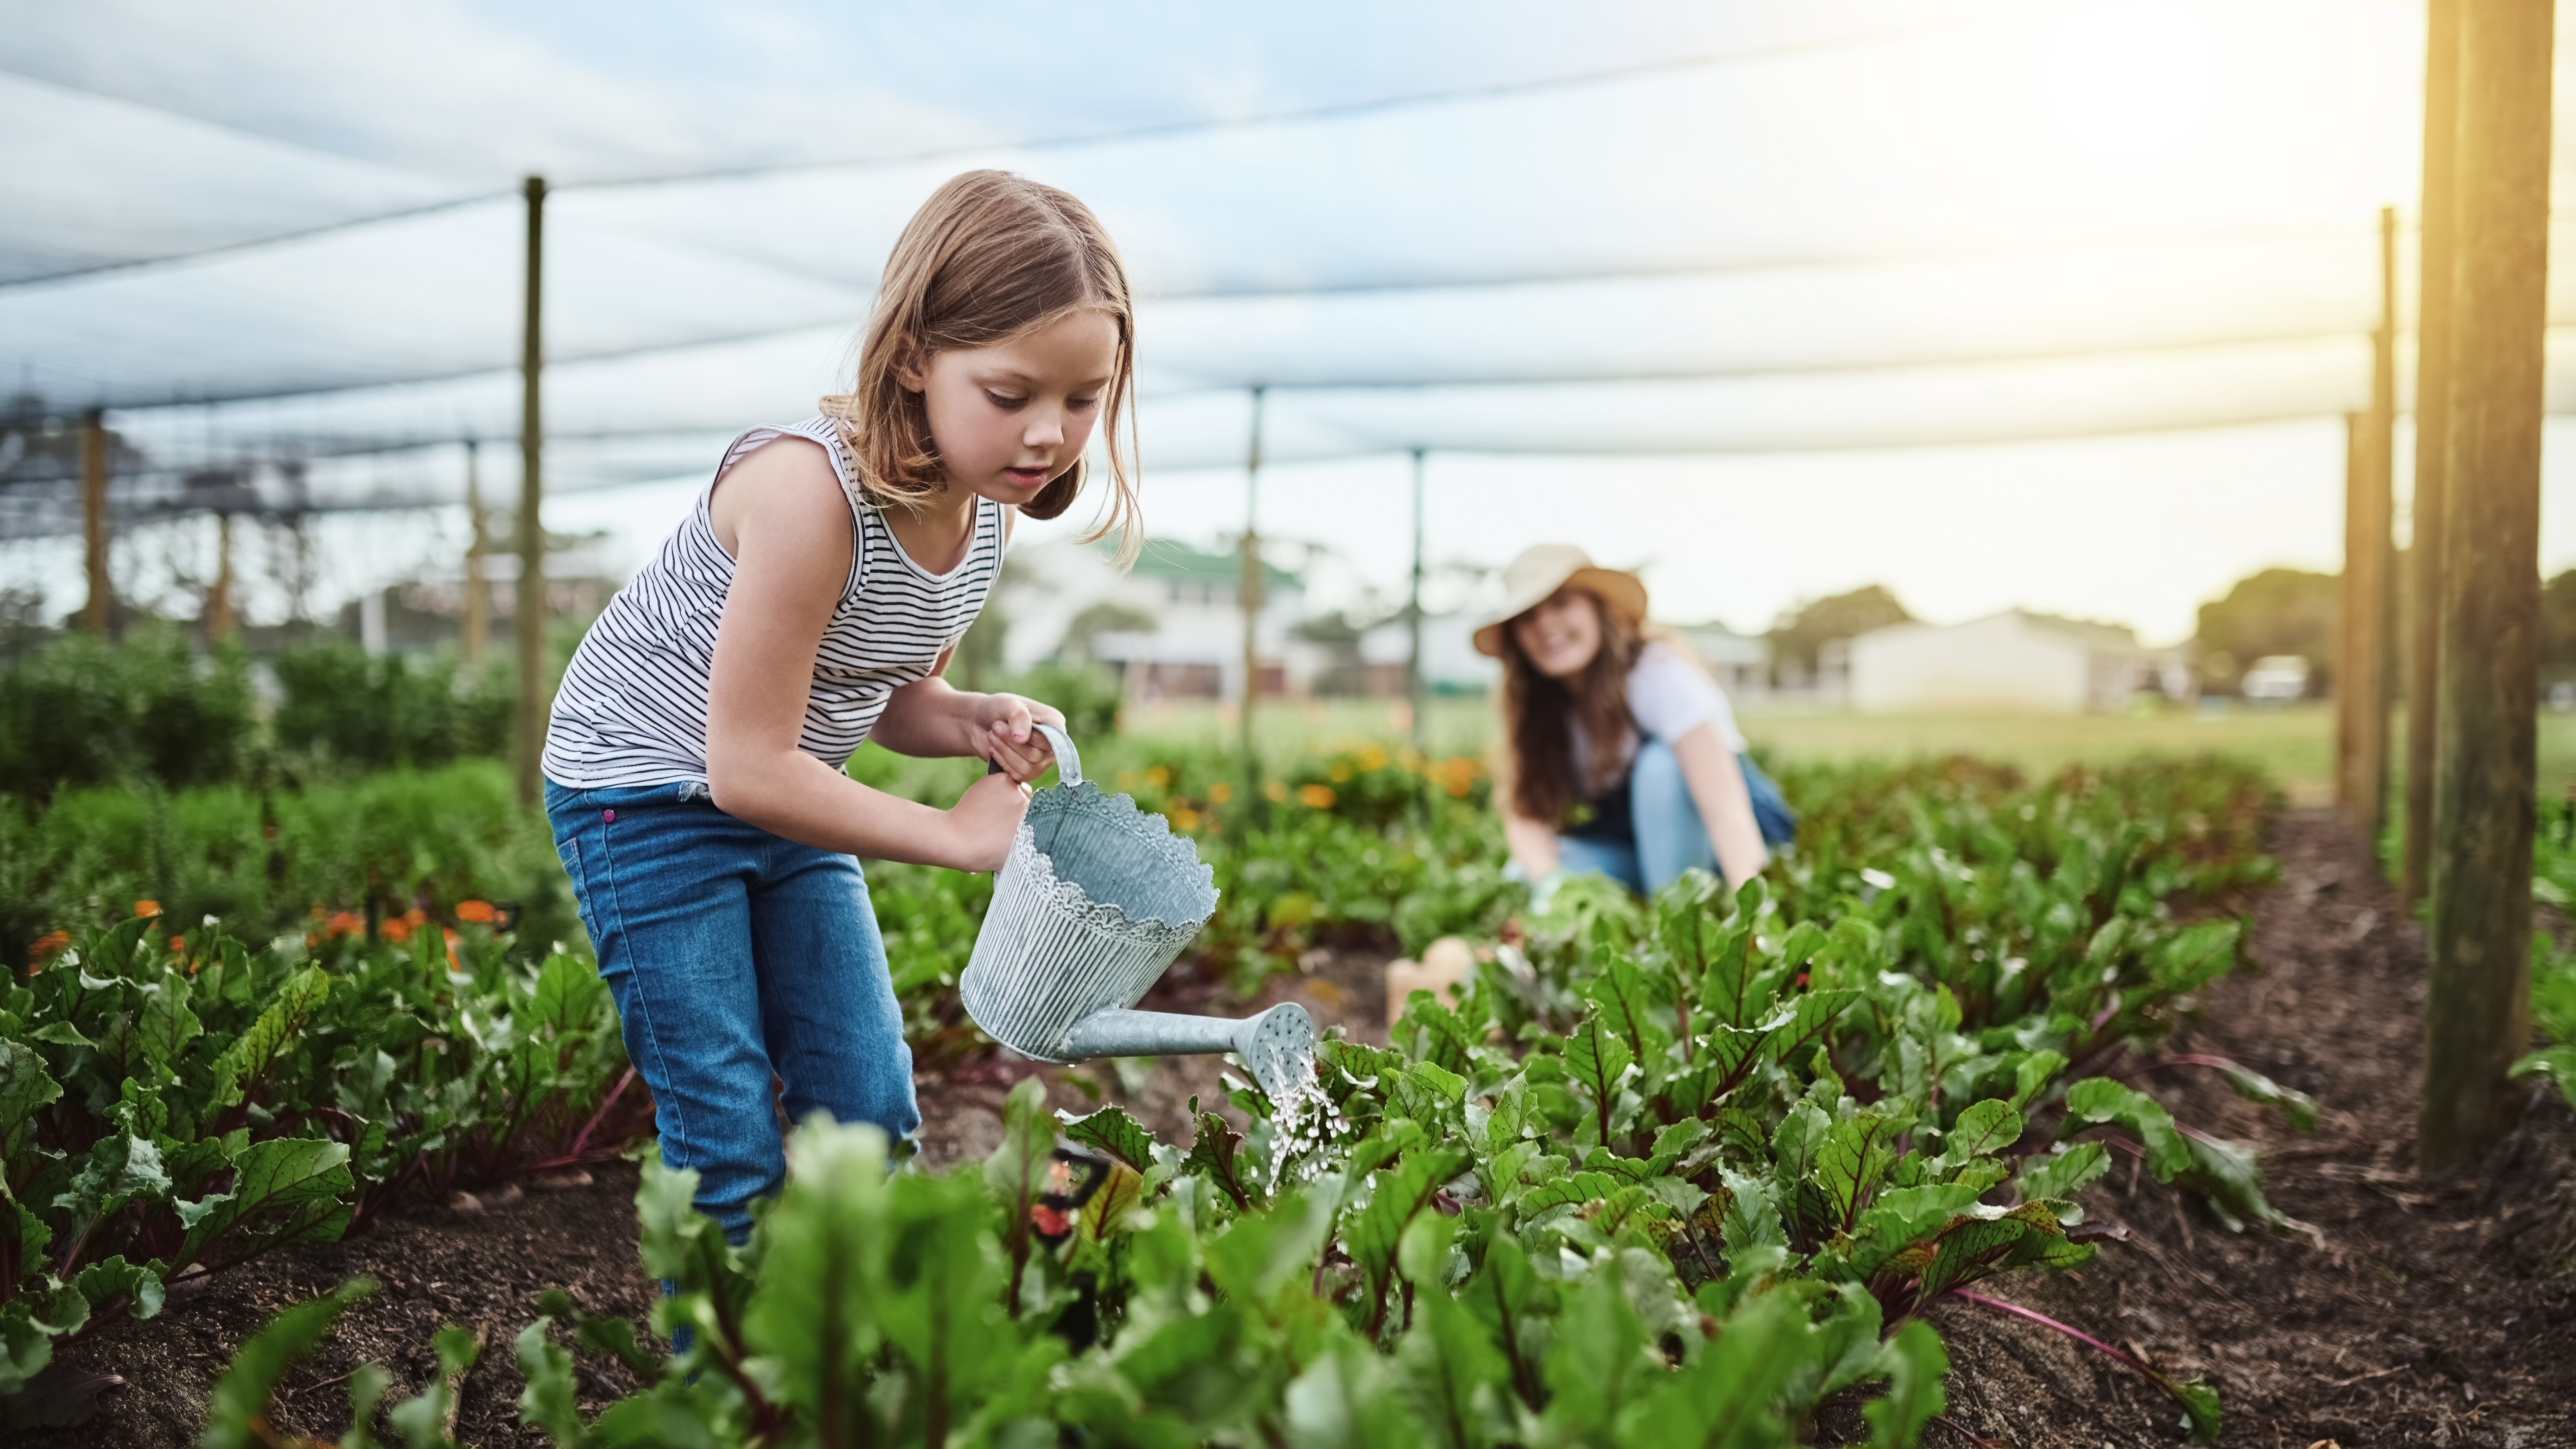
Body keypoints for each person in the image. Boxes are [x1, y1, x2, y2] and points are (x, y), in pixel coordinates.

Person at [539, 171, 1139, 1243]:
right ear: (912, 355)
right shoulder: (808, 496)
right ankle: (736, 1395)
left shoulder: (981, 517)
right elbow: (748, 765)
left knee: (866, 1108)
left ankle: (844, 1354)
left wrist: (971, 718)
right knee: (726, 1137)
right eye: (1010, 395)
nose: (1048, 435)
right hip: (645, 799)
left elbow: (890, 697)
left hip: (783, 798)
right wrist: (955, 836)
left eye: (1081, 399)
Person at [1477, 544, 1795, 904]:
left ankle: (1675, 921)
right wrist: (1552, 892)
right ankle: (1644, 909)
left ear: (1597, 608)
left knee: (1660, 766)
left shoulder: (1656, 672)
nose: (1545, 624)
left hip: (1729, 847)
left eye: (1561, 603)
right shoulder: (1541, 706)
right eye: (1528, 616)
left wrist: (1755, 909)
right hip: (1643, 849)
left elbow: (1726, 808)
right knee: (1526, 872)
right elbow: (1526, 814)